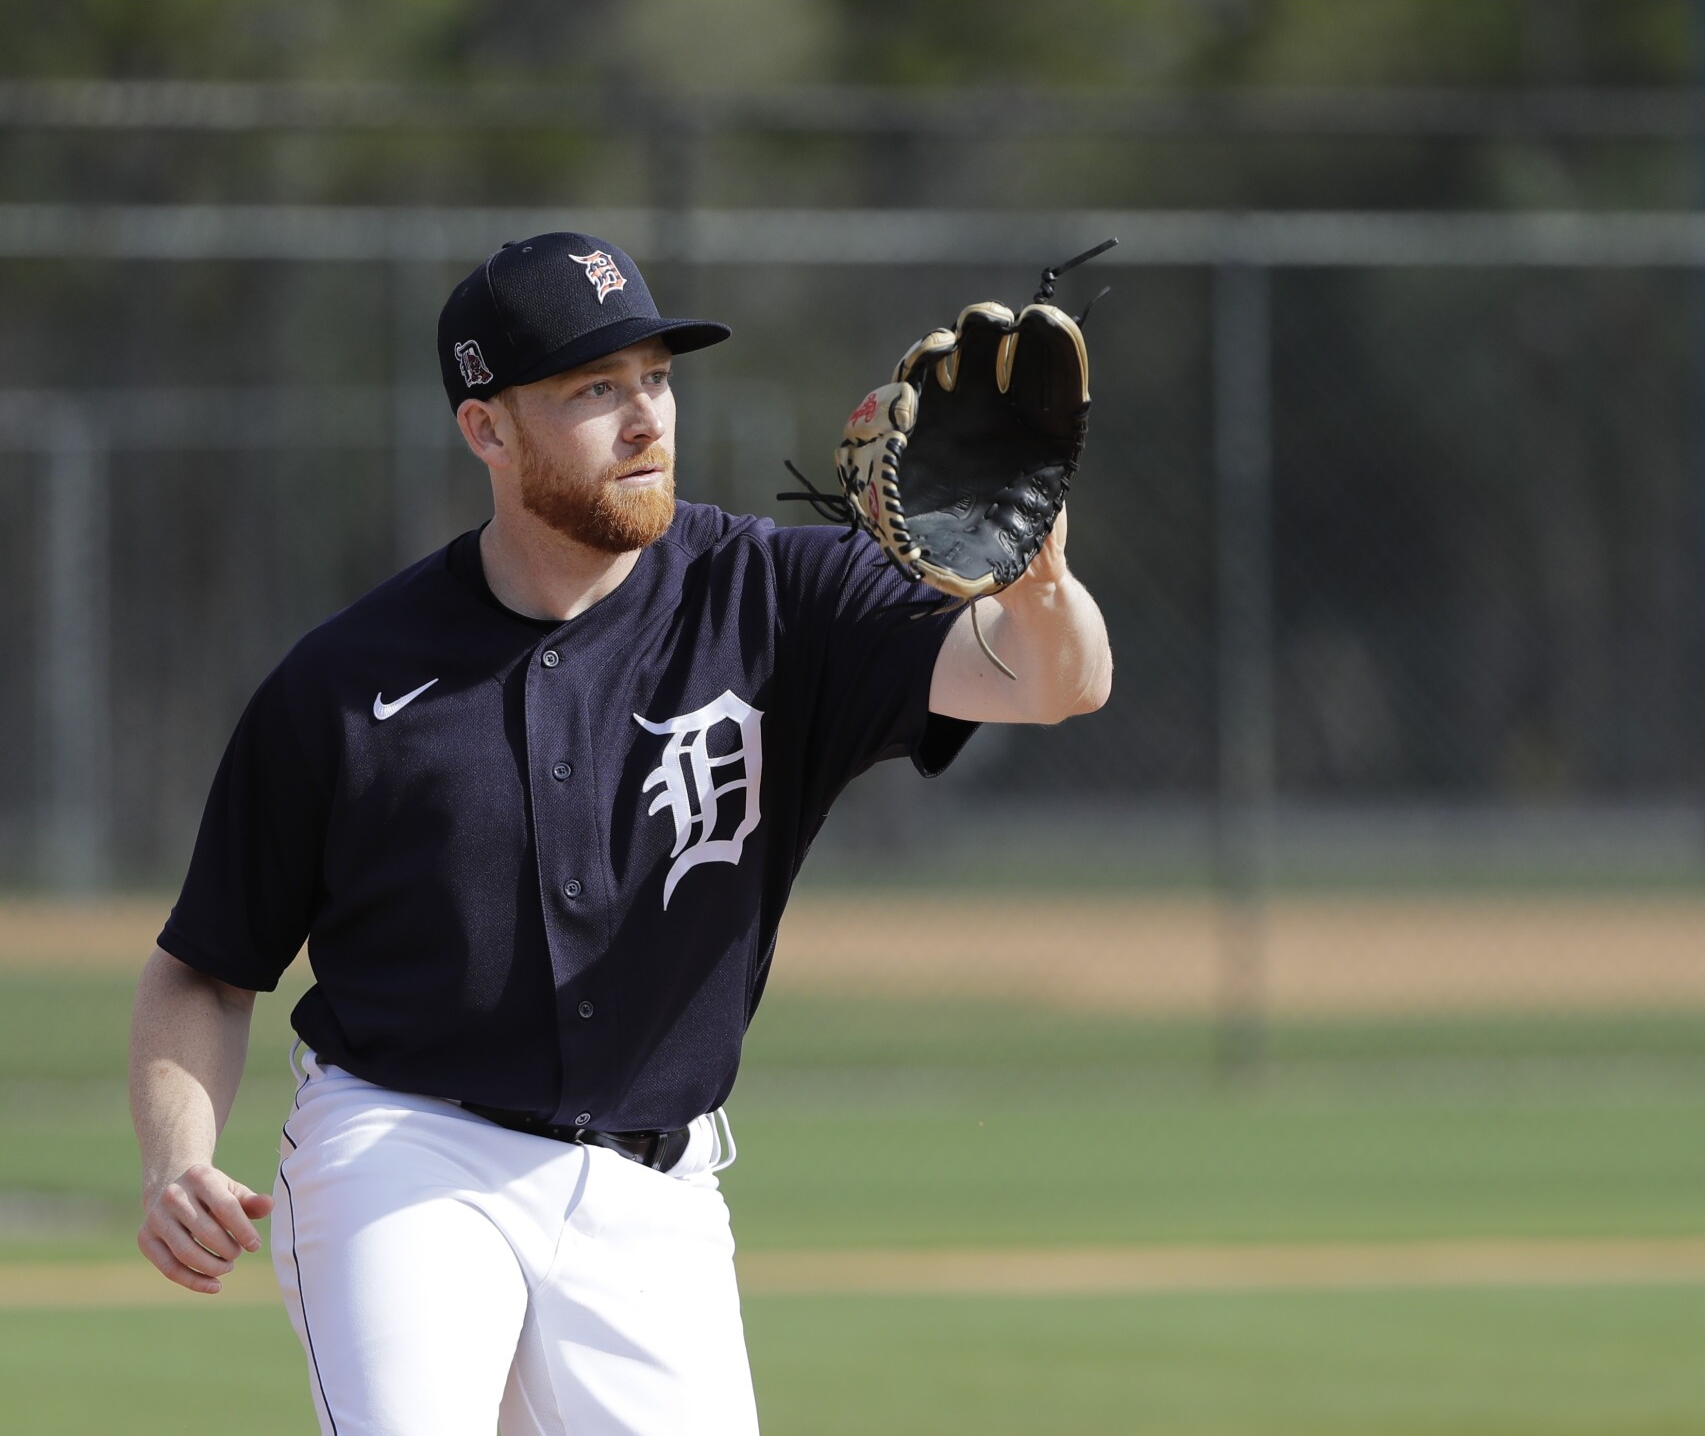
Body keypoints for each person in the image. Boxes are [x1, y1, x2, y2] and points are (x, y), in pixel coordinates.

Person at [127, 231, 1112, 1434]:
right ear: (486, 429)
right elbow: (205, 965)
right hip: (407, 1155)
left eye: (654, 375)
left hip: (658, 1184)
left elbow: (1050, 684)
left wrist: (1035, 578)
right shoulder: (342, 686)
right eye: (593, 388)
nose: (644, 416)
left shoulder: (775, 599)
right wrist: (179, 1154)